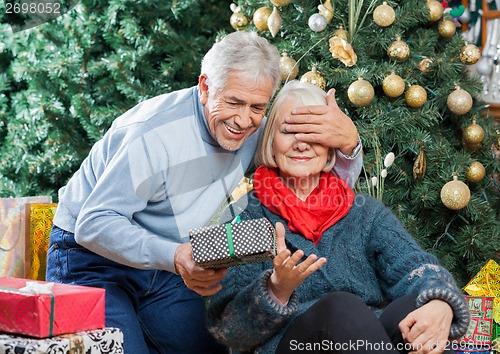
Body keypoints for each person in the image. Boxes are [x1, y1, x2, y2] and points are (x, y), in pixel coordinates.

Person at [45, 32, 363, 353]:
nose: (243, 120)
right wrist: (175, 256)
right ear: (205, 87)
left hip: (167, 266)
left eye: (257, 106)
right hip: (91, 258)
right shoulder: (153, 134)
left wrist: (349, 144)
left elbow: (315, 189)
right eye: (234, 102)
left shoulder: (254, 130)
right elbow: (93, 224)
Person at [205, 80, 470, 354]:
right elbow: (228, 329)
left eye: (314, 133)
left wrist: (440, 302)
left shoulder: (364, 213)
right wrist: (276, 289)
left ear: (331, 147)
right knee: (342, 307)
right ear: (271, 143)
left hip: (363, 343)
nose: (301, 144)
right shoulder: (244, 216)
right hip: (289, 344)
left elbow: (414, 266)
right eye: (289, 131)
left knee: (416, 307)